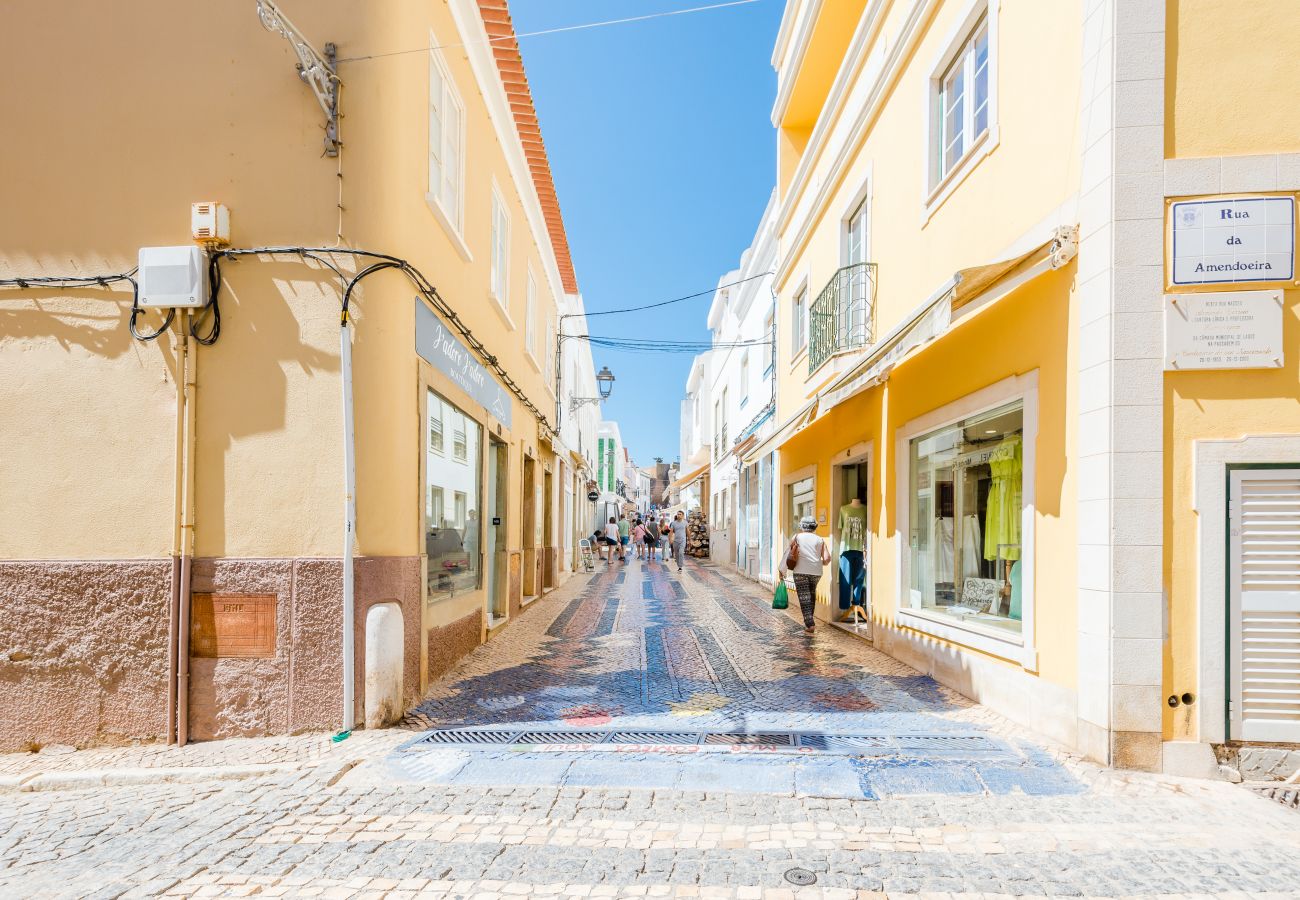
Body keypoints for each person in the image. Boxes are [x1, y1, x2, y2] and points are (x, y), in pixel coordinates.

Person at [781, 515, 831, 633]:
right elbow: (827, 558)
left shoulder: (797, 537)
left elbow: (788, 553)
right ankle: (810, 621)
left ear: (802, 526)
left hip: (800, 571)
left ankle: (810, 624)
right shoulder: (820, 539)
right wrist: (821, 563)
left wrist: (782, 569)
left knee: (804, 597)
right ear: (815, 527)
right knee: (811, 595)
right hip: (816, 572)